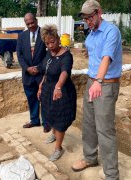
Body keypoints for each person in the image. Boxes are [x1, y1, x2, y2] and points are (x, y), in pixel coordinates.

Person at [71, 0, 122, 179]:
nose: (87, 22)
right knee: (89, 124)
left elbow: (106, 58)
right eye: (85, 18)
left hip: (106, 84)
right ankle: (90, 158)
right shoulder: (91, 33)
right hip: (92, 81)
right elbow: (93, 52)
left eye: (90, 17)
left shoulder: (111, 31)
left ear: (99, 13)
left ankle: (111, 175)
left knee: (105, 130)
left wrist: (99, 82)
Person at [37, 24, 77, 161]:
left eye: (52, 42)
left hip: (62, 92)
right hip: (48, 90)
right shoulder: (49, 53)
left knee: (60, 120)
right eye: (47, 43)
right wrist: (41, 86)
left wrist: (58, 87)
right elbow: (46, 71)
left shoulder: (66, 55)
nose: (50, 45)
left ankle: (58, 148)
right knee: (50, 115)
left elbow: (64, 72)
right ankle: (54, 134)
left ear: (58, 39)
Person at [17, 13, 50, 133]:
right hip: (27, 75)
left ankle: (46, 123)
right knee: (31, 98)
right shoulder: (21, 36)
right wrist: (27, 68)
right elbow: (19, 55)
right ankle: (34, 120)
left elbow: (49, 53)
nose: (31, 25)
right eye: (28, 23)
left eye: (32, 22)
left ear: (36, 20)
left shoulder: (45, 34)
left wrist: (39, 67)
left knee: (45, 98)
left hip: (41, 74)